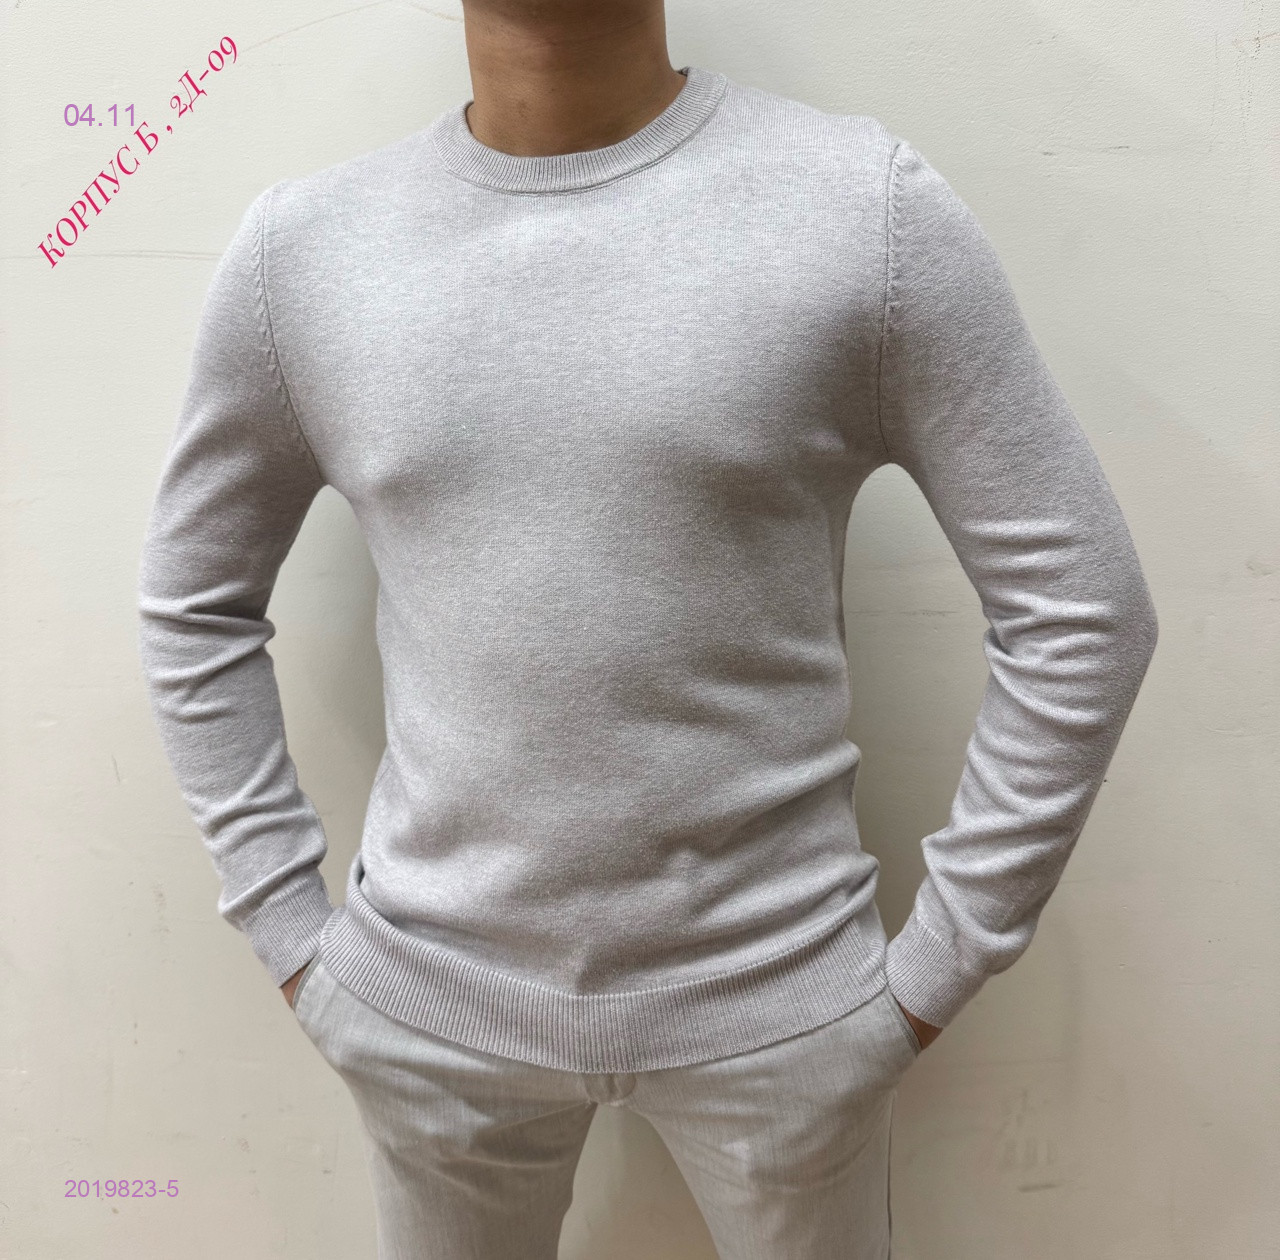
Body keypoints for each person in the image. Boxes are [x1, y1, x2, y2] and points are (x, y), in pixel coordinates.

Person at [136, 1, 1159, 1255]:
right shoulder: (305, 252)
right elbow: (193, 601)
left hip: (783, 1013)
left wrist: (933, 970)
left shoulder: (862, 211)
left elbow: (1082, 609)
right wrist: (291, 934)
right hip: (426, 1013)